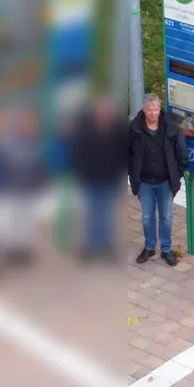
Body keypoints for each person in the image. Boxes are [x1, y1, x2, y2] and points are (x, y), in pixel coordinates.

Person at [127, 94, 189, 266]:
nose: (153, 114)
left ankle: (166, 249)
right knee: (147, 217)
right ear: (144, 110)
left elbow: (181, 152)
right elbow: (127, 153)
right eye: (150, 110)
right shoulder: (134, 128)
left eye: (156, 110)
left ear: (159, 109)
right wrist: (132, 174)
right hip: (144, 181)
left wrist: (177, 172)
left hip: (165, 181)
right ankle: (149, 247)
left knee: (166, 216)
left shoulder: (171, 127)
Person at [69, 95, 126, 262]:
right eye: (101, 113)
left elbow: (123, 154)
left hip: (110, 179)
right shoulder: (85, 131)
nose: (104, 116)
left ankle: (105, 245)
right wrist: (79, 175)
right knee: (90, 213)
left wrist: (119, 173)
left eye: (107, 113)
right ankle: (90, 246)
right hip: (90, 179)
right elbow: (77, 154)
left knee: (107, 213)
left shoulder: (119, 131)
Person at [0, 108, 47, 267]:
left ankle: (23, 250)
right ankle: (12, 251)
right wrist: (0, 184)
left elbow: (40, 166)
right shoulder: (4, 142)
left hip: (29, 187)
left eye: (30, 123)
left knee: (27, 222)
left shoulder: (35, 143)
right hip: (11, 187)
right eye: (24, 122)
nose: (27, 126)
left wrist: (41, 183)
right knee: (12, 222)